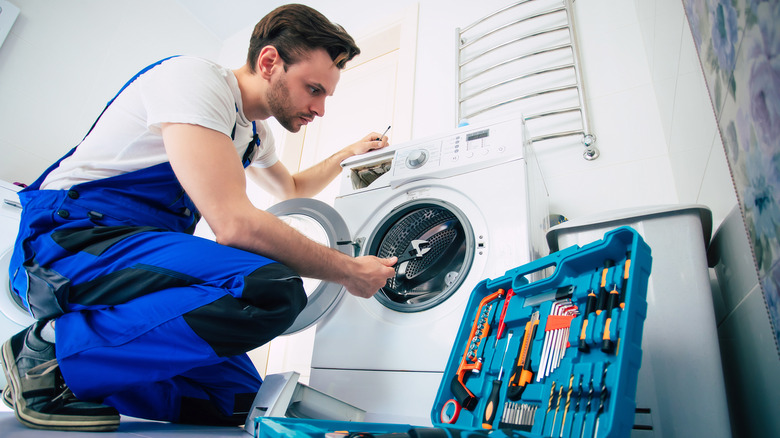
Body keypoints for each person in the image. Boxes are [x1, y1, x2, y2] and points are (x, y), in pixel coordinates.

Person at [0, 3, 397, 431]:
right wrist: (349, 270)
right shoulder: (194, 80)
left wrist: (348, 154)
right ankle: (47, 355)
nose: (319, 109)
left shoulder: (255, 135)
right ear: (269, 62)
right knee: (271, 289)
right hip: (69, 241)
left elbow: (293, 189)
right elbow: (235, 225)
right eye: (313, 89)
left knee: (240, 401)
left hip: (134, 260)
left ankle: (76, 380)